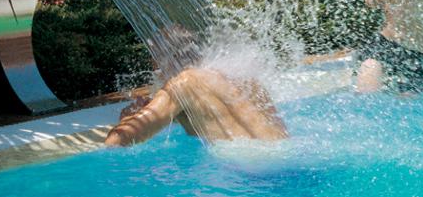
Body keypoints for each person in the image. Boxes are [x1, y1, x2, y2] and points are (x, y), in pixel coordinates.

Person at [105, 67, 288, 146]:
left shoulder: (184, 83)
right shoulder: (245, 79)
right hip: (288, 166)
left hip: (248, 177)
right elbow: (214, 119)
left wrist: (128, 117)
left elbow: (117, 141)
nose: (157, 72)